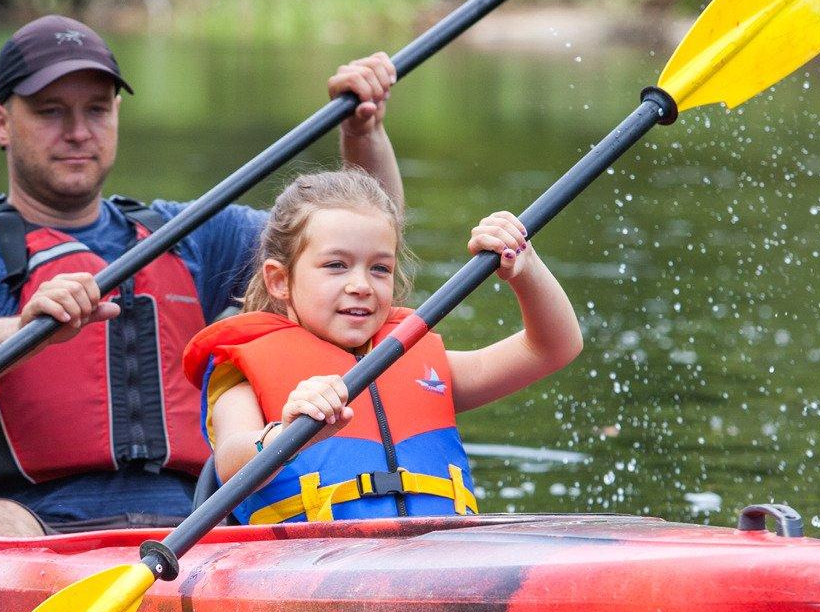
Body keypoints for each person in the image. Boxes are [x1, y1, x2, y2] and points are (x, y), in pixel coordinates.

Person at [0, 15, 404, 535]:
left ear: (116, 113)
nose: (77, 132)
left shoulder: (191, 234)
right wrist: (24, 329)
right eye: (51, 112)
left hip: (191, 523)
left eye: (96, 110)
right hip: (28, 518)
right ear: (1, 122)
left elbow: (360, 240)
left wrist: (362, 131)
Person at [182, 169, 582, 525]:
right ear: (280, 281)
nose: (361, 284)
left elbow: (553, 347)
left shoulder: (424, 368)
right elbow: (231, 464)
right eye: (336, 265)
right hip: (315, 577)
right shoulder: (244, 378)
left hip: (443, 565)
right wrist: (286, 434)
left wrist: (525, 269)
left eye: (380, 268)